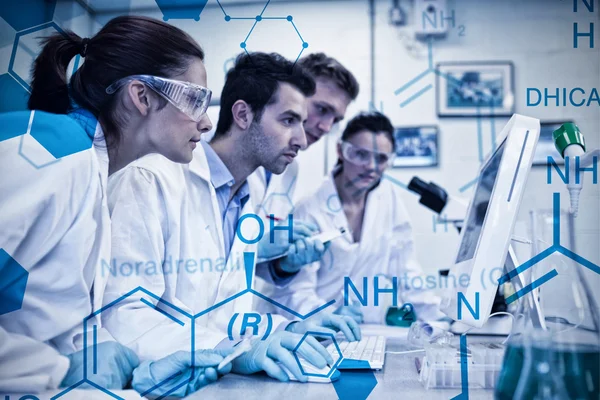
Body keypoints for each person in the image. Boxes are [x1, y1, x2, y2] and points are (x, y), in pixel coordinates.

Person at [0, 16, 234, 396]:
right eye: (195, 99)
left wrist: (132, 372)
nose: (206, 122)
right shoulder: (55, 153)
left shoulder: (94, 174)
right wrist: (58, 369)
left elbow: (46, 318)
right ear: (141, 96)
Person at [102, 52, 360, 384]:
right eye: (288, 120)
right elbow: (123, 313)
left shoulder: (244, 199)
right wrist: (230, 349)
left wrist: (286, 328)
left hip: (212, 381)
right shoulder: (149, 179)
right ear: (242, 114)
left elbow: (220, 310)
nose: (302, 138)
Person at [272, 112, 446, 324]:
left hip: (368, 330)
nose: (371, 167)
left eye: (381, 158)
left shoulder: (389, 199)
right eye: (361, 154)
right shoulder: (308, 210)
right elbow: (294, 291)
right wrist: (326, 317)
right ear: (341, 150)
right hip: (312, 331)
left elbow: (406, 270)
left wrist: (442, 319)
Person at [248, 52, 360, 280]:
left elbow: (254, 271)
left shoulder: (288, 169)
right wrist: (254, 247)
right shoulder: (207, 143)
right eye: (322, 109)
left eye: (336, 119)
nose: (327, 127)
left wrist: (285, 266)